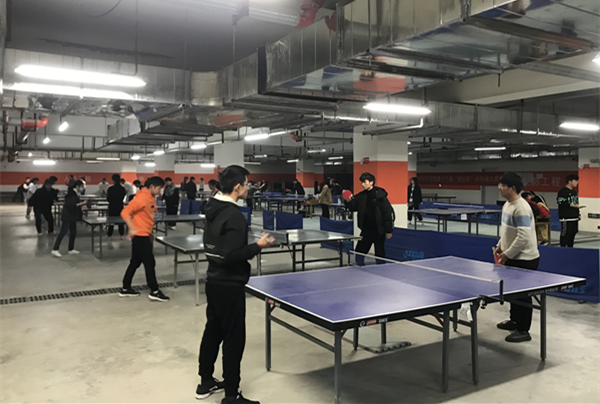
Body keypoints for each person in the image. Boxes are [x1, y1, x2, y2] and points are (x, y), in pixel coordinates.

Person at [196, 165, 274, 404]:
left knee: (213, 331)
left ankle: (205, 382)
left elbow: (217, 250)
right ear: (238, 187)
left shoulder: (212, 208)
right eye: (247, 184)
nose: (248, 188)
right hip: (229, 285)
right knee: (233, 339)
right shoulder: (234, 215)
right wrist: (258, 246)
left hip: (213, 280)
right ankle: (231, 395)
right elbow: (231, 255)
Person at [494, 172, 540, 343]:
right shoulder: (508, 204)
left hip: (525, 259)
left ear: (512, 188)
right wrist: (500, 245)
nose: (499, 188)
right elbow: (507, 231)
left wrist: (507, 254)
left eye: (502, 185)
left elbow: (523, 237)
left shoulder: (521, 207)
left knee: (523, 295)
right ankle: (514, 321)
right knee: (513, 293)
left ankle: (523, 330)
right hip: (513, 256)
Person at [118, 176, 169, 302]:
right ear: (152, 186)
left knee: (135, 261)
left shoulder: (150, 197)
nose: (160, 191)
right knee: (149, 263)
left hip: (144, 234)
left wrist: (149, 232)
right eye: (159, 188)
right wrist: (132, 228)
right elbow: (125, 212)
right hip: (140, 236)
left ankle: (125, 287)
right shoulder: (142, 198)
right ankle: (154, 290)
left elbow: (145, 217)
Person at [343, 173, 394, 264]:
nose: (363, 184)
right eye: (362, 182)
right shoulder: (361, 196)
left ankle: (381, 268)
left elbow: (387, 213)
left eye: (365, 182)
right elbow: (353, 207)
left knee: (380, 253)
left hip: (379, 230)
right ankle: (359, 267)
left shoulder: (380, 196)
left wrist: (389, 230)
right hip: (366, 229)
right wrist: (348, 201)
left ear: (371, 182)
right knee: (359, 251)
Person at [51, 180, 86, 257]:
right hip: (68, 216)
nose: (82, 188)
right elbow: (71, 205)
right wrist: (82, 203)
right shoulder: (71, 194)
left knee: (73, 233)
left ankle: (71, 248)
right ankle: (55, 249)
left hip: (72, 216)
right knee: (63, 232)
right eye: (81, 186)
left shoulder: (74, 193)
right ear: (77, 186)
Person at [557, 174, 582, 248]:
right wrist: (572, 205)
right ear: (570, 181)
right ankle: (563, 248)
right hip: (566, 217)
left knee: (573, 232)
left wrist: (578, 214)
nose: (577, 183)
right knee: (566, 233)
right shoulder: (562, 192)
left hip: (574, 216)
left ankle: (570, 247)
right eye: (575, 181)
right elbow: (560, 201)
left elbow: (576, 203)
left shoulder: (574, 192)